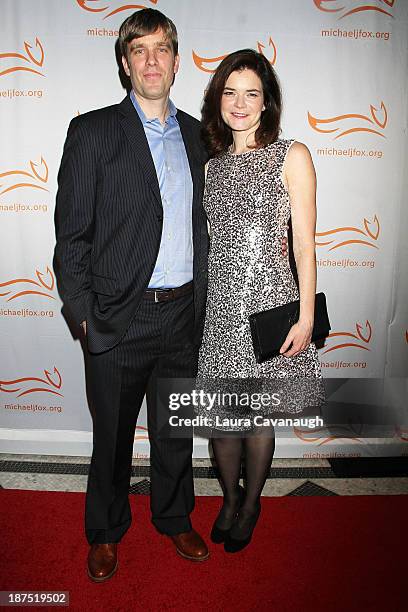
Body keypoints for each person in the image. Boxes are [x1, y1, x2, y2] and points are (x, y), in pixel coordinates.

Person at [53, 9, 211, 582]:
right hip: (119, 316)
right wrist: (84, 316)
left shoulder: (200, 135)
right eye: (139, 49)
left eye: (162, 48)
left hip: (184, 315)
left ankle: (174, 517)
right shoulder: (91, 131)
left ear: (176, 61)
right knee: (112, 438)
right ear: (124, 62)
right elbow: (70, 237)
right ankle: (105, 530)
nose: (151, 60)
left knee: (175, 429)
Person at [197, 49, 323, 552]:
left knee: (257, 419)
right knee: (224, 421)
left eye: (251, 93)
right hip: (222, 311)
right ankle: (230, 498)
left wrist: (307, 316)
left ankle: (252, 505)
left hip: (272, 307)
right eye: (230, 92)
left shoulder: (293, 155)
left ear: (267, 101)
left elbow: (305, 245)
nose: (240, 103)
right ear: (218, 100)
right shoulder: (212, 168)